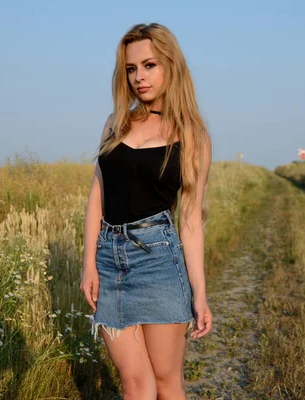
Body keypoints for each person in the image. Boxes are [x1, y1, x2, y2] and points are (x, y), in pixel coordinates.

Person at [79, 23, 213, 399]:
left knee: (167, 382)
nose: (139, 77)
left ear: (171, 65)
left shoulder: (192, 135)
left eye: (149, 65)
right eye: (131, 68)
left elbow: (189, 220)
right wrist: (89, 262)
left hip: (159, 262)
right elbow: (97, 196)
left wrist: (199, 293)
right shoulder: (115, 123)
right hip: (109, 261)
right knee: (135, 383)